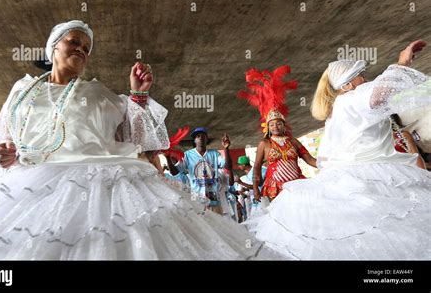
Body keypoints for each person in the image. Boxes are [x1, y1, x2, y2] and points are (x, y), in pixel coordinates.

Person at [0, 20, 280, 260]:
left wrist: (138, 94)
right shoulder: (24, 89)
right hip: (36, 182)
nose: (81, 49)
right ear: (53, 47)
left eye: (86, 47)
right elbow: (7, 138)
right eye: (73, 42)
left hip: (109, 179)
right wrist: (7, 154)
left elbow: (134, 136)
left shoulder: (97, 92)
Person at [246, 40, 431, 260]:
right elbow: (380, 94)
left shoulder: (337, 111)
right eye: (361, 74)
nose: (366, 78)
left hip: (350, 175)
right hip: (370, 176)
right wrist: (402, 62)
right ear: (346, 84)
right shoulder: (353, 98)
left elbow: (323, 157)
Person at [237, 65, 317, 203]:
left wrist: (328, 163)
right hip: (275, 189)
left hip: (297, 185)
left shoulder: (293, 141)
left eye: (278, 123)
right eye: (272, 124)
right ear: (267, 127)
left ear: (284, 125)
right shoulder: (265, 144)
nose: (275, 126)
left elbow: (309, 159)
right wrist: (256, 189)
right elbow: (256, 168)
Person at [164, 127, 234, 216]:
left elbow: (228, 166)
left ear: (206, 139)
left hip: (214, 199)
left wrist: (226, 149)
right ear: (195, 140)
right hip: (196, 199)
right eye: (197, 136)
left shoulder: (214, 154)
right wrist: (167, 157)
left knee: (217, 228)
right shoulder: (188, 155)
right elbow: (175, 172)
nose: (200, 137)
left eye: (203, 136)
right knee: (200, 227)